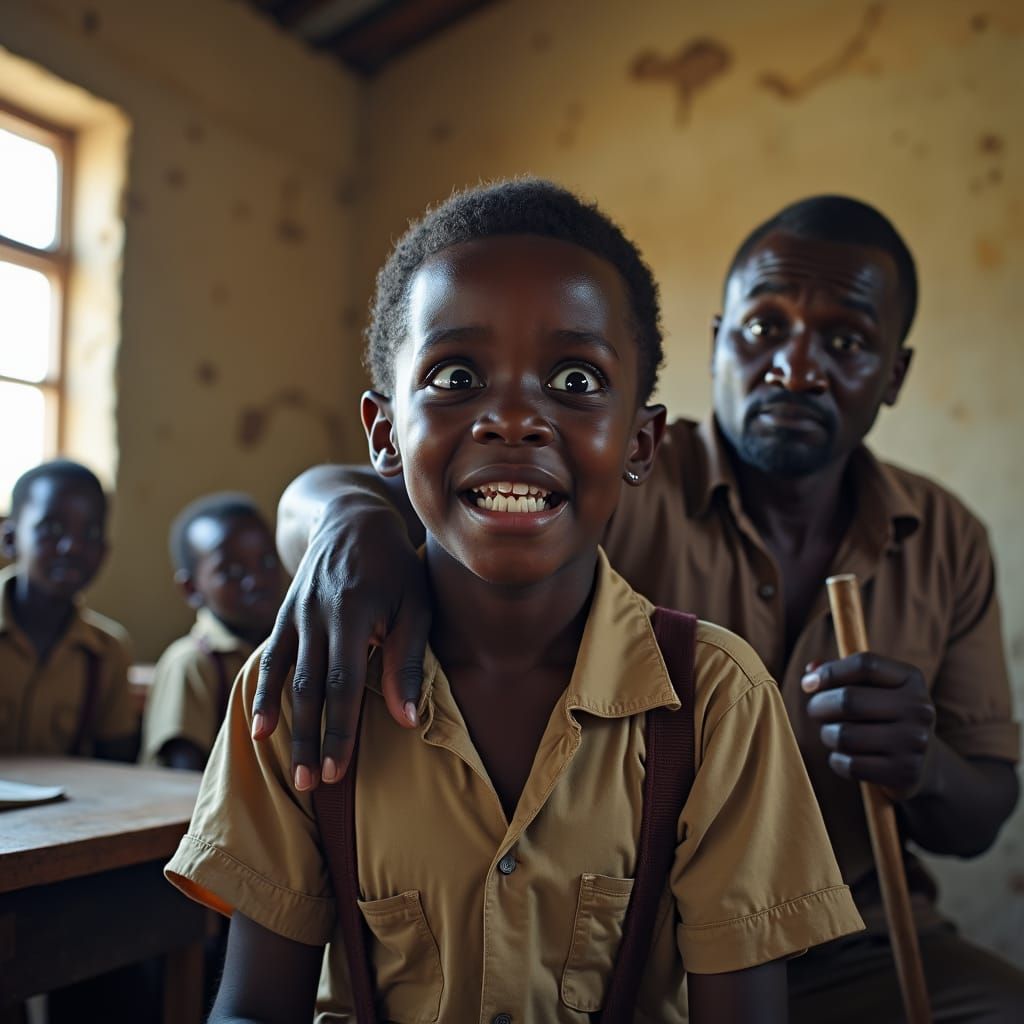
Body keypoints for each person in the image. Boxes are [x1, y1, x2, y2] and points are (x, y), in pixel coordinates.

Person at [260, 194, 1023, 1021]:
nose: (796, 368)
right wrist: (347, 524)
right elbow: (367, 483)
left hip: (871, 942)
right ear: (718, 341)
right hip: (633, 952)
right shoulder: (608, 473)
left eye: (844, 342)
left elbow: (979, 815)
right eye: (764, 329)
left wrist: (925, 764)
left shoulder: (945, 538)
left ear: (894, 374)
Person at [165, 180, 863, 1023]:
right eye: (456, 375)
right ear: (384, 433)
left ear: (640, 441)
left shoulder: (716, 699)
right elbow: (251, 1009)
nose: (513, 419)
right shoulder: (300, 690)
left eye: (575, 378)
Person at [0, 459, 136, 759]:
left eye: (89, 534)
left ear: (104, 552)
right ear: (10, 540)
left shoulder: (107, 651)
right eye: (52, 528)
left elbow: (115, 766)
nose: (72, 547)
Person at [140, 492, 282, 770]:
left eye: (266, 562)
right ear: (191, 589)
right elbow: (180, 776)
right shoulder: (192, 663)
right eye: (232, 571)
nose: (256, 580)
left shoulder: (288, 649)